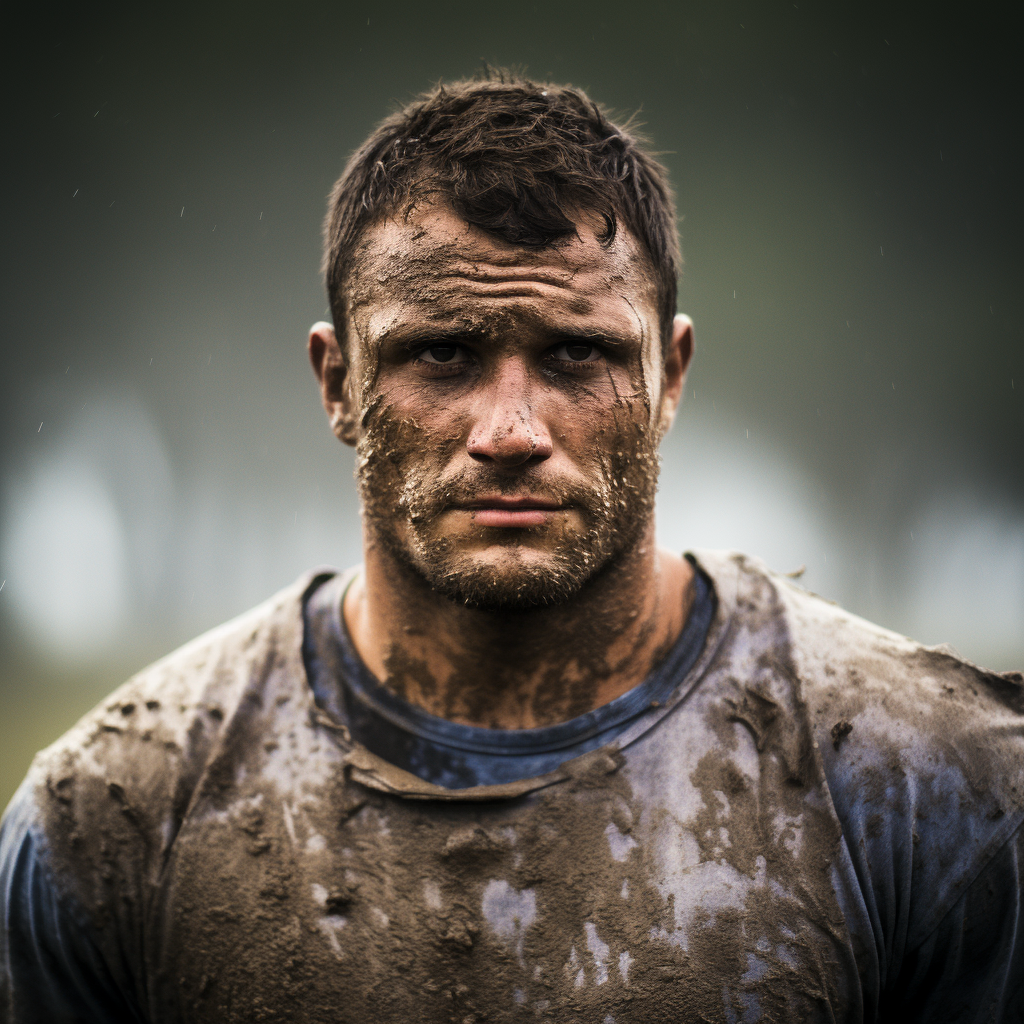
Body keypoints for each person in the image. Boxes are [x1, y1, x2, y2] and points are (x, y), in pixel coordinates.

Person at [2, 71, 1022, 1024]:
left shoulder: (930, 785)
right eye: (440, 354)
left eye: (577, 354)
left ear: (669, 376)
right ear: (337, 383)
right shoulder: (114, 812)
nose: (510, 429)